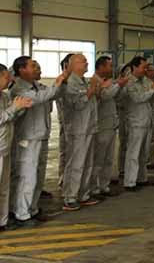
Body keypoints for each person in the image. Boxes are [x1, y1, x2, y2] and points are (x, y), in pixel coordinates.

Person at [10, 56, 65, 225]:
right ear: (22, 70)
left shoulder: (38, 86)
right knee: (27, 176)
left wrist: (59, 85)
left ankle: (32, 209)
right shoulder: (19, 88)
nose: (36, 68)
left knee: (38, 175)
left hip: (40, 135)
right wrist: (59, 81)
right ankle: (21, 213)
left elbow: (49, 96)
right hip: (27, 138)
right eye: (33, 66)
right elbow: (40, 98)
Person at [63, 54, 106, 211]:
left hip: (89, 127)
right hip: (78, 129)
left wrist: (94, 90)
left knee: (87, 163)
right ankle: (70, 196)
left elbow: (93, 103)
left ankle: (83, 193)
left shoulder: (85, 81)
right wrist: (90, 91)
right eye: (83, 61)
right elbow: (76, 104)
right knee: (76, 164)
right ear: (73, 64)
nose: (87, 63)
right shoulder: (70, 83)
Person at [0, 64, 32, 232]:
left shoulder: (4, 96)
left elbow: (9, 117)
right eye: (6, 76)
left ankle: (3, 221)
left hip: (5, 146)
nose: (10, 79)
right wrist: (14, 108)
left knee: (4, 188)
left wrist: (20, 109)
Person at [124, 57, 154, 191]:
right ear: (134, 67)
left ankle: (141, 178)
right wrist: (153, 90)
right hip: (136, 122)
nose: (145, 70)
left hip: (146, 120)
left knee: (143, 153)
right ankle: (130, 182)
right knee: (133, 153)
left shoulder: (145, 80)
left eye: (147, 67)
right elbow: (138, 98)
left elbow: (151, 97)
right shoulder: (129, 82)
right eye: (143, 67)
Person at [91, 56, 128, 199]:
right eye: (109, 65)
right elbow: (105, 96)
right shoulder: (94, 81)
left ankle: (104, 186)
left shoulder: (108, 82)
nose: (111, 68)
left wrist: (120, 86)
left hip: (111, 123)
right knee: (98, 159)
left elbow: (115, 97)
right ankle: (94, 188)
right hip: (101, 124)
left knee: (108, 158)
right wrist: (117, 85)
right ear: (100, 67)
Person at [31, 61, 53, 200]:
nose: (39, 71)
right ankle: (22, 210)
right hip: (30, 136)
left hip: (42, 132)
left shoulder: (41, 87)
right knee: (28, 173)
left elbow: (49, 107)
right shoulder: (19, 89)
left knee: (39, 169)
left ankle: (35, 199)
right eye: (35, 67)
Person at [56, 53, 74, 189]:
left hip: (75, 122)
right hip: (67, 122)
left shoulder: (77, 80)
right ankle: (63, 177)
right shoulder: (62, 82)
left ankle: (68, 177)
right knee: (65, 151)